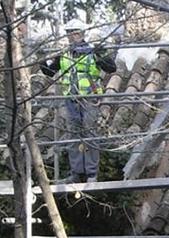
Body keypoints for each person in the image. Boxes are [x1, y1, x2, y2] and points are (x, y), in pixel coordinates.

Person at [40, 19, 117, 183]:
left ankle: (91, 174)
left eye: (75, 32)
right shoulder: (65, 53)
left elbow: (111, 68)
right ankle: (76, 173)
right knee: (73, 134)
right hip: (71, 99)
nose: (71, 36)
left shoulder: (92, 51)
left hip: (89, 98)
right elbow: (50, 71)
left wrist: (100, 53)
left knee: (89, 133)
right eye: (69, 32)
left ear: (82, 33)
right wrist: (41, 60)